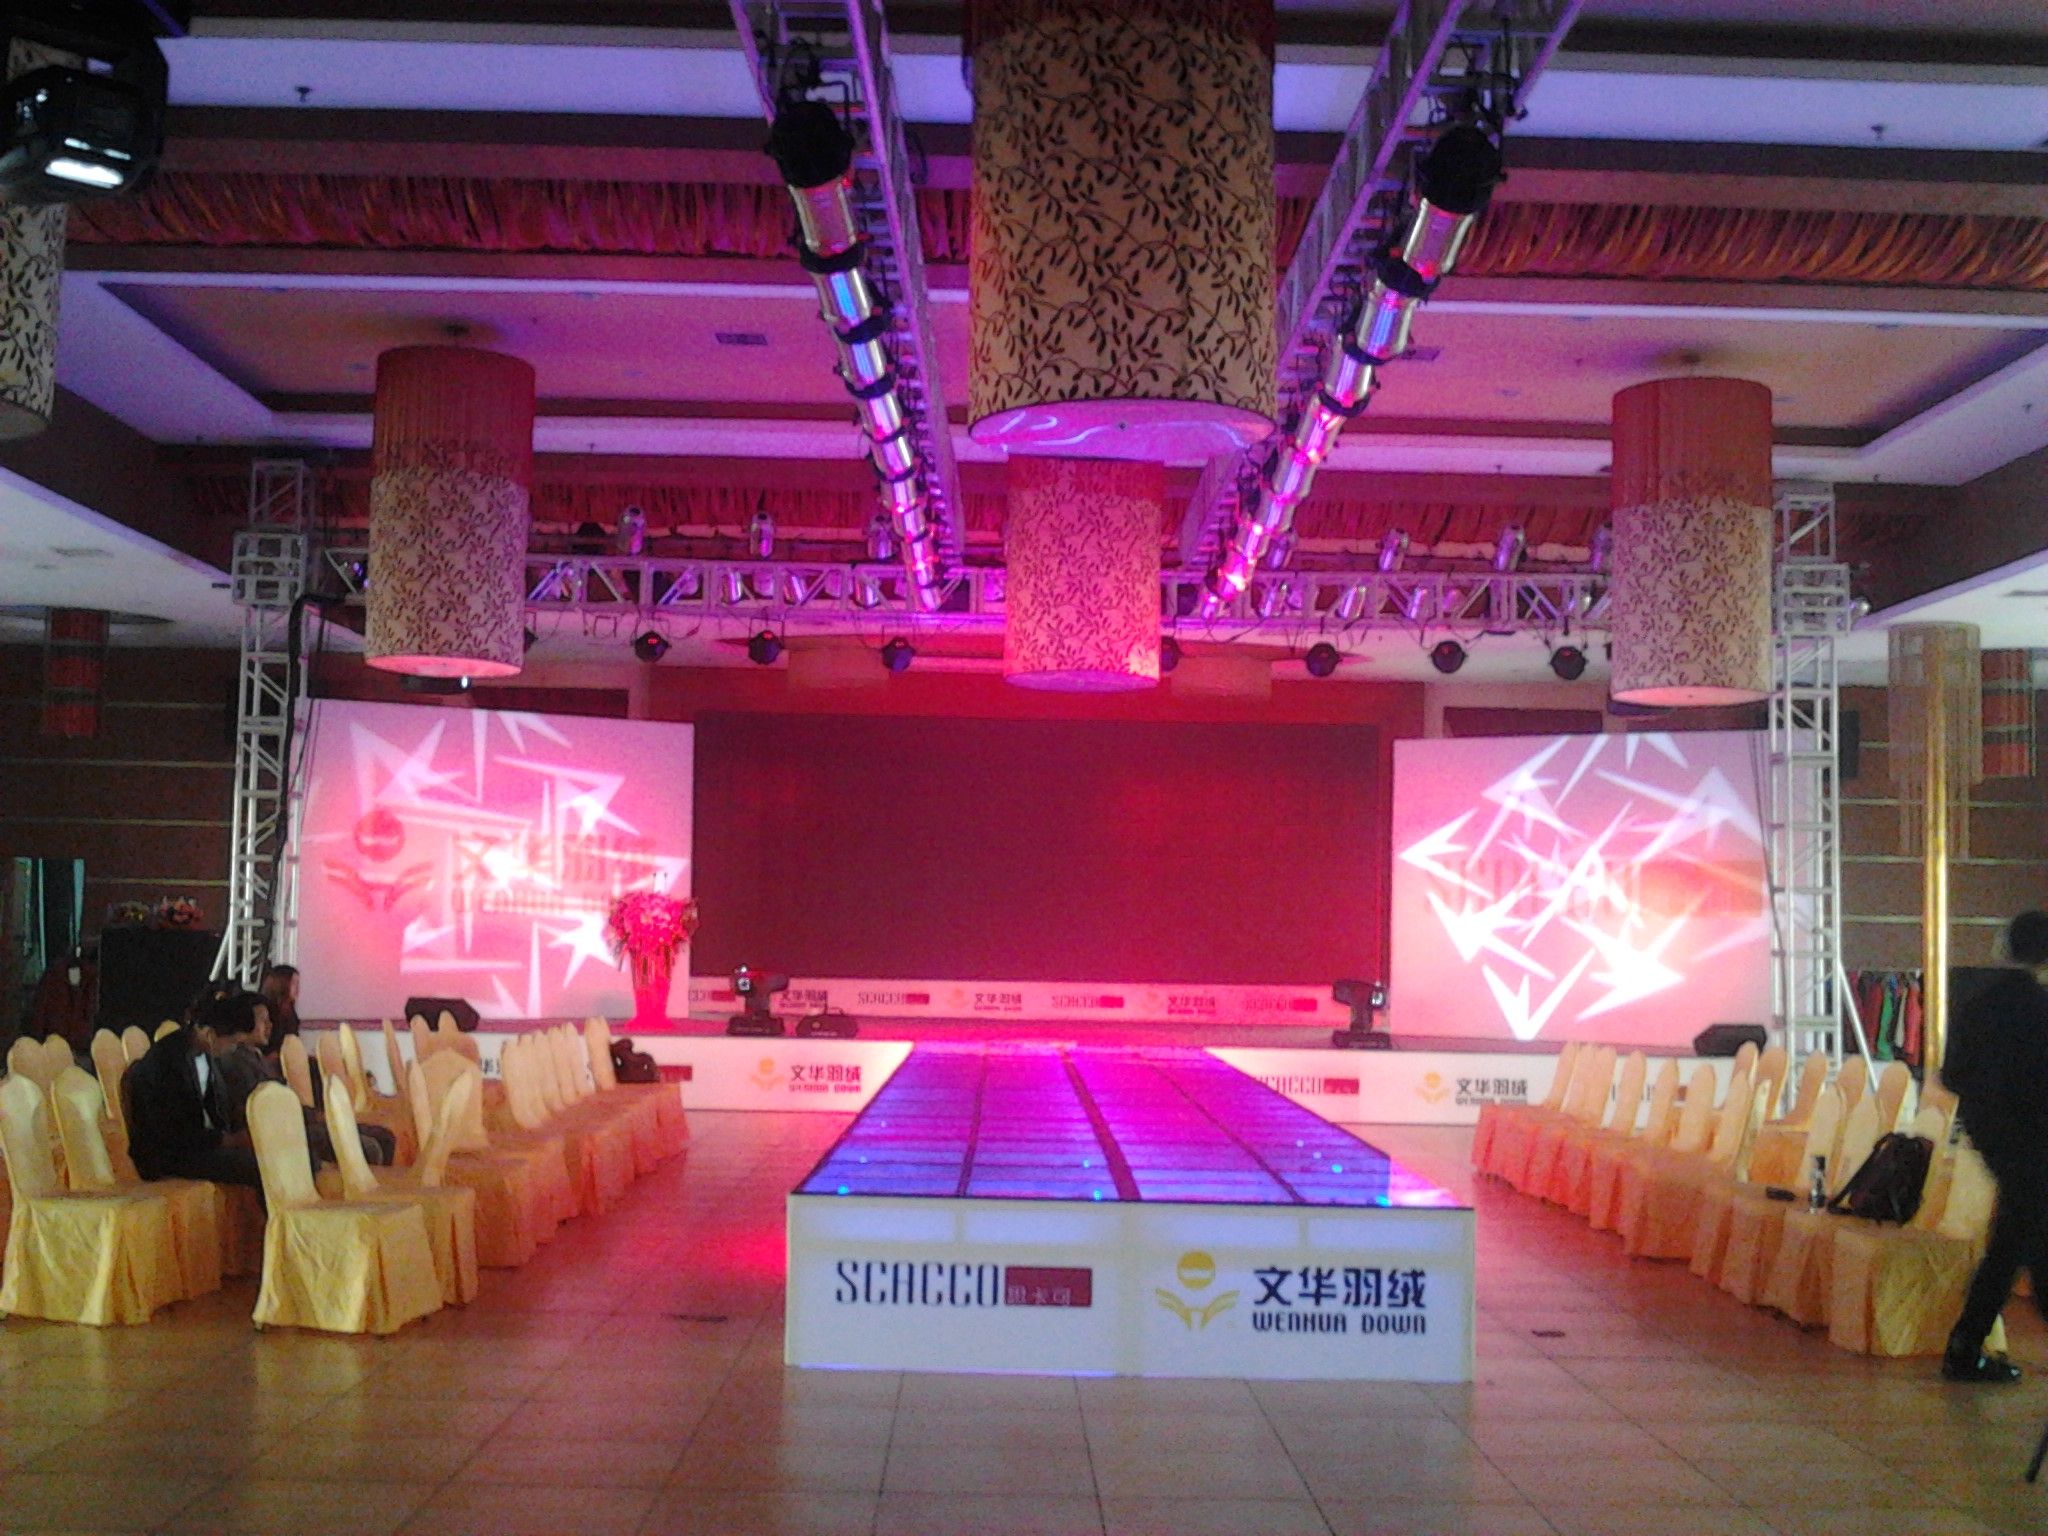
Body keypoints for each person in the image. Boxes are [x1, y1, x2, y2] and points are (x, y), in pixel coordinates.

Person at [1941, 909, 2048, 1383]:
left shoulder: (1977, 1002)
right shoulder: (2039, 1009)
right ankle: (1964, 1347)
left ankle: (1965, 1347)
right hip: (2035, 1143)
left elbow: (1952, 1075)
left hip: (1994, 1141)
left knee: (2016, 1240)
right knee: (2020, 1242)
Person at [125, 989, 270, 1193]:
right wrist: (228, 1140)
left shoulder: (204, 1053)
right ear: (210, 1035)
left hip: (198, 1145)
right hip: (169, 1154)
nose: (233, 1049)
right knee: (259, 1165)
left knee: (271, 1155)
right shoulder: (168, 1060)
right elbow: (174, 1132)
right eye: (233, 1042)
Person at [258, 964, 302, 1053]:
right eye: (293, 983)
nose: (298, 988)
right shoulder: (266, 1010)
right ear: (282, 983)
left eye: (298, 983)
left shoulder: (290, 1010)